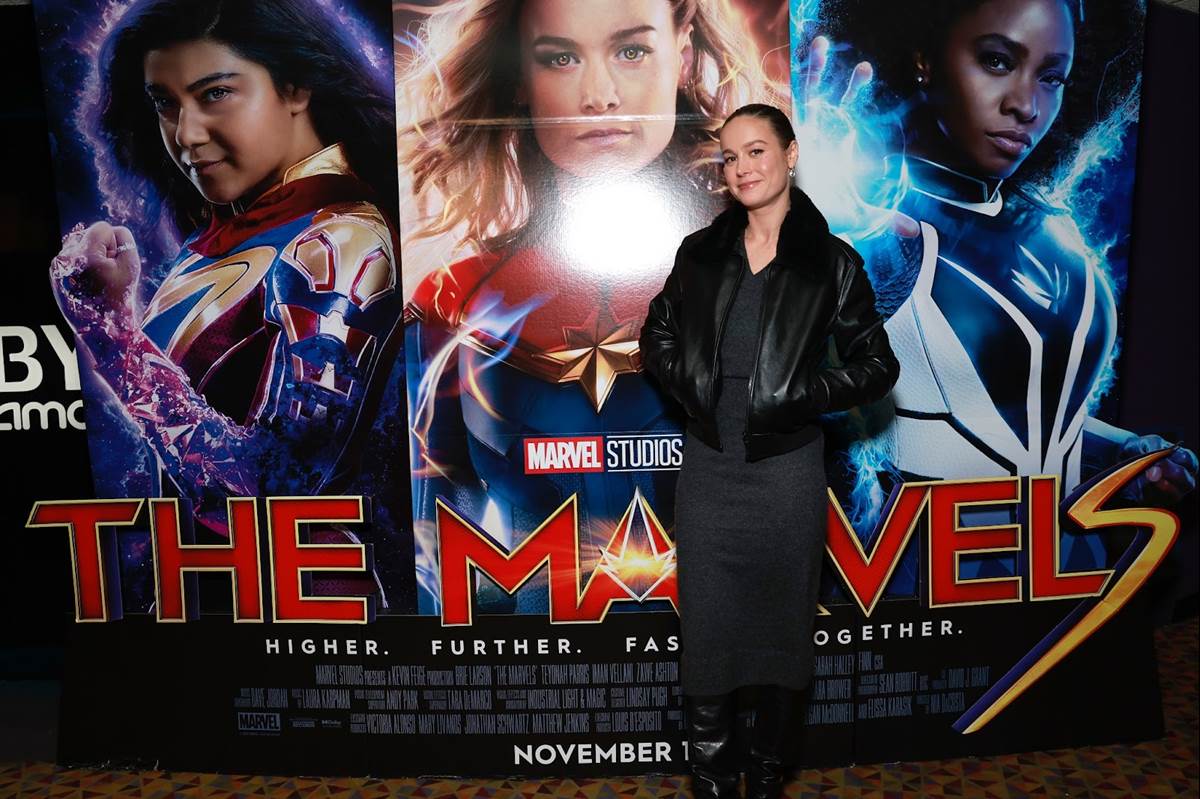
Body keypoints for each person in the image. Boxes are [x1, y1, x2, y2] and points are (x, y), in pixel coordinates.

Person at [398, 0, 788, 613]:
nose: (599, 96)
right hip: (537, 662)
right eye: (560, 58)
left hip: (734, 652)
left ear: (683, 56)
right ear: (520, 79)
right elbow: (435, 566)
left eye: (631, 51)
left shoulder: (776, 273)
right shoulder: (455, 302)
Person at [802, 0, 1196, 589]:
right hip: (919, 572)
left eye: (1051, 76)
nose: (1026, 105)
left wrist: (1126, 453)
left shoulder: (1055, 231)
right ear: (925, 61)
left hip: (1063, 568)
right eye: (996, 61)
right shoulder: (873, 228)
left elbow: (1026, 416)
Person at [48, 0, 403, 601]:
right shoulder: (224, 237)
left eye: (215, 94)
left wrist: (110, 333)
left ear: (296, 86)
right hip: (216, 603)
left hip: (305, 613)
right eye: (165, 103)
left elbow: (279, 490)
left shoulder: (340, 244)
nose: (185, 134)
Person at [640, 104, 898, 799]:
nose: (742, 167)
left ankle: (765, 775)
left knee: (784, 634)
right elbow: (655, 334)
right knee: (708, 634)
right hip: (708, 469)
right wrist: (693, 386)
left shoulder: (831, 263)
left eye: (756, 150)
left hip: (786, 473)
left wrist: (801, 394)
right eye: (730, 156)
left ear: (790, 154)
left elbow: (878, 365)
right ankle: (712, 778)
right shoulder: (700, 253)